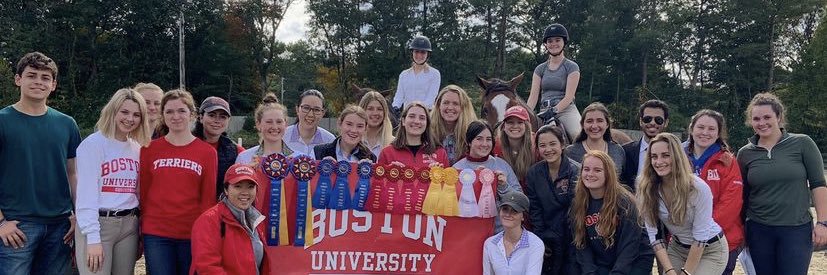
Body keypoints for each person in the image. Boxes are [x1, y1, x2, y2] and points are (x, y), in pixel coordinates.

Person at [0, 52, 81, 275]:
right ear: (18, 79)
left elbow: (72, 173)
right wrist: (1, 223)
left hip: (61, 226)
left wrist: (77, 215)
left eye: (45, 77)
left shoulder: (67, 124)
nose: (38, 81)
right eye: (31, 75)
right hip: (16, 226)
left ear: (53, 84)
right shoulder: (3, 121)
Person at [736, 93, 827, 275]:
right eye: (756, 119)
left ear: (779, 117)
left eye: (767, 117)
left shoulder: (802, 143)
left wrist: (823, 223)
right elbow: (742, 195)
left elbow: (818, 184)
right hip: (758, 229)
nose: (762, 122)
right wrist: (741, 229)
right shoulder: (745, 154)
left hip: (796, 229)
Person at [139, 89, 218, 275]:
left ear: (192, 114)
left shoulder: (207, 153)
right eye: (169, 112)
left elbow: (208, 199)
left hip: (191, 233)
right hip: (157, 233)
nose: (176, 116)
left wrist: (206, 235)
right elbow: (144, 192)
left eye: (181, 111)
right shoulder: (149, 149)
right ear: (162, 116)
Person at [74, 88, 151, 275]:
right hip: (99, 224)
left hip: (128, 225)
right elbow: (86, 195)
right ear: (112, 111)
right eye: (124, 112)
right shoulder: (93, 144)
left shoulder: (137, 148)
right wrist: (92, 238)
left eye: (136, 114)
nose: (130, 119)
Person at [637, 133, 728, 275]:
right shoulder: (646, 188)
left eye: (665, 155)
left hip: (709, 249)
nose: (659, 161)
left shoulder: (698, 188)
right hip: (678, 247)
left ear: (677, 156)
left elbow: (700, 237)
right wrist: (669, 270)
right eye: (654, 156)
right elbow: (654, 235)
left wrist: (686, 272)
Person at [571, 151, 654, 275]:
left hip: (634, 262)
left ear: (608, 174)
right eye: (586, 169)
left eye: (597, 170)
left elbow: (629, 246)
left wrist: (617, 273)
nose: (590, 174)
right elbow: (582, 244)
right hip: (604, 263)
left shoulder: (625, 203)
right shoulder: (578, 203)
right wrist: (590, 272)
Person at [683, 109, 744, 275]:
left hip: (720, 240)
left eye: (711, 129)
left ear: (718, 133)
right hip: (682, 240)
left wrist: (701, 232)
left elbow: (731, 204)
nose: (705, 132)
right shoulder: (677, 158)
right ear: (691, 129)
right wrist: (683, 233)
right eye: (700, 127)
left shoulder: (727, 161)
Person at [190, 163, 270, 275]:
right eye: (238, 186)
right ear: (226, 190)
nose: (245, 192)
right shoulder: (208, 221)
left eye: (250, 186)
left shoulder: (258, 220)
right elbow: (207, 267)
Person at [524, 125, 579, 275]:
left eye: (552, 144)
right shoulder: (533, 174)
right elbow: (535, 210)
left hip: (572, 239)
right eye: (542, 145)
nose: (548, 149)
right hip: (547, 239)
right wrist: (540, 239)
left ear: (562, 144)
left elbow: (576, 210)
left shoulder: (577, 171)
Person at [453, 120, 523, 233]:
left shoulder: (502, 164)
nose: (484, 144)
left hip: (500, 234)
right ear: (469, 142)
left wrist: (504, 186)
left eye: (488, 139)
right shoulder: (456, 169)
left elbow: (520, 200)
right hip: (468, 235)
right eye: (479, 139)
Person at [526, 23, 581, 140]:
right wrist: (525, 113)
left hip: (566, 111)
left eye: (557, 40)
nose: (554, 44)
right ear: (546, 44)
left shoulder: (572, 67)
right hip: (543, 112)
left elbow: (569, 97)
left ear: (564, 42)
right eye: (550, 41)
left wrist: (553, 111)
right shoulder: (540, 69)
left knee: (577, 135)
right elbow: (533, 96)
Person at [194, 96, 245, 200]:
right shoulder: (186, 145)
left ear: (228, 120)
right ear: (201, 117)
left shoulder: (237, 152)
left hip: (221, 211)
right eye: (212, 115)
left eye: (222, 117)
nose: (217, 120)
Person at [482, 190, 544, 275]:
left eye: (514, 210)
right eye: (505, 209)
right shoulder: (490, 244)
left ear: (523, 216)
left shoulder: (535, 244)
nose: (508, 214)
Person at [377, 101, 449, 168]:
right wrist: (390, 173)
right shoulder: (387, 153)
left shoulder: (440, 153)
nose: (417, 121)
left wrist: (439, 175)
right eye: (412, 116)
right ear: (403, 121)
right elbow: (378, 181)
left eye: (422, 118)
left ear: (427, 123)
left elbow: (449, 181)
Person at [564, 102, 625, 175]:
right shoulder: (570, 152)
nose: (594, 126)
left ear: (607, 124)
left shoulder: (618, 150)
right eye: (589, 121)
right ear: (582, 125)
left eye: (600, 121)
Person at [621, 99, 670, 189]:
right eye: (647, 119)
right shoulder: (625, 151)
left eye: (658, 120)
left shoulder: (674, 152)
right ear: (641, 121)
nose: (652, 123)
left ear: (666, 122)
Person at [236, 93, 293, 165]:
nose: (275, 127)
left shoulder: (299, 160)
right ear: (258, 124)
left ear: (286, 124)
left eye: (279, 122)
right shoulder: (244, 158)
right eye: (269, 122)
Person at [391, 35, 441, 113]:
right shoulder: (404, 75)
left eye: (423, 52)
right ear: (412, 53)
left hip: (426, 114)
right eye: (416, 51)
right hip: (407, 115)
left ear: (428, 54)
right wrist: (395, 107)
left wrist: (415, 110)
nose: (419, 55)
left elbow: (430, 99)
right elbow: (399, 96)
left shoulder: (434, 74)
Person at [430, 85, 477, 164]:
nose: (450, 107)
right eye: (446, 103)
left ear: (463, 107)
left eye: (455, 104)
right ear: (439, 105)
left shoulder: (473, 134)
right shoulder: (427, 132)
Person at [284, 89, 335, 156]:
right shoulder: (283, 136)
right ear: (297, 109)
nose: (310, 114)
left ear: (323, 113)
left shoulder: (330, 141)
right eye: (306, 108)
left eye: (316, 110)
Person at [494, 105, 537, 186]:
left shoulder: (536, 144)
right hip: (506, 193)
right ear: (503, 126)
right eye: (510, 122)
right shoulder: (495, 146)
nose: (515, 126)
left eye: (520, 122)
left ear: (526, 126)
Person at [359, 91, 395, 157]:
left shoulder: (394, 143)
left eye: (379, 109)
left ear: (384, 113)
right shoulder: (354, 140)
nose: (375, 113)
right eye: (370, 109)